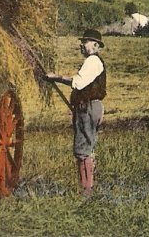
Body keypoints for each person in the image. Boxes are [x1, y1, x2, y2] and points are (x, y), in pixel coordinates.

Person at [45, 28, 107, 197]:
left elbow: (78, 83)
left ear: (95, 45)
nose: (81, 44)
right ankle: (86, 189)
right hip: (86, 107)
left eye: (85, 42)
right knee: (85, 148)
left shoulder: (93, 61)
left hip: (87, 108)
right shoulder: (93, 61)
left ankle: (86, 192)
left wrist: (56, 77)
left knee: (83, 150)